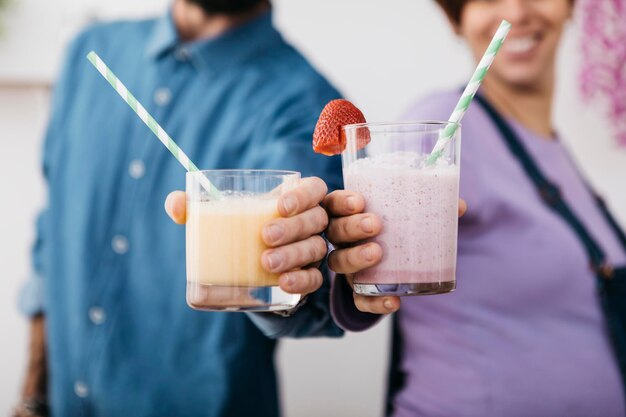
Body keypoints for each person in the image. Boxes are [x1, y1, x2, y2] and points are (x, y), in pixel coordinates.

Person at [14, 0, 343, 415]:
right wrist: (32, 394)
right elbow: (50, 245)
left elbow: (308, 291)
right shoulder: (89, 54)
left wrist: (299, 275)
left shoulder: (306, 105)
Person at [325, 0, 626, 415]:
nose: (517, 12)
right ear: (457, 18)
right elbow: (369, 248)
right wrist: (353, 279)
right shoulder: (441, 131)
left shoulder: (556, 153)